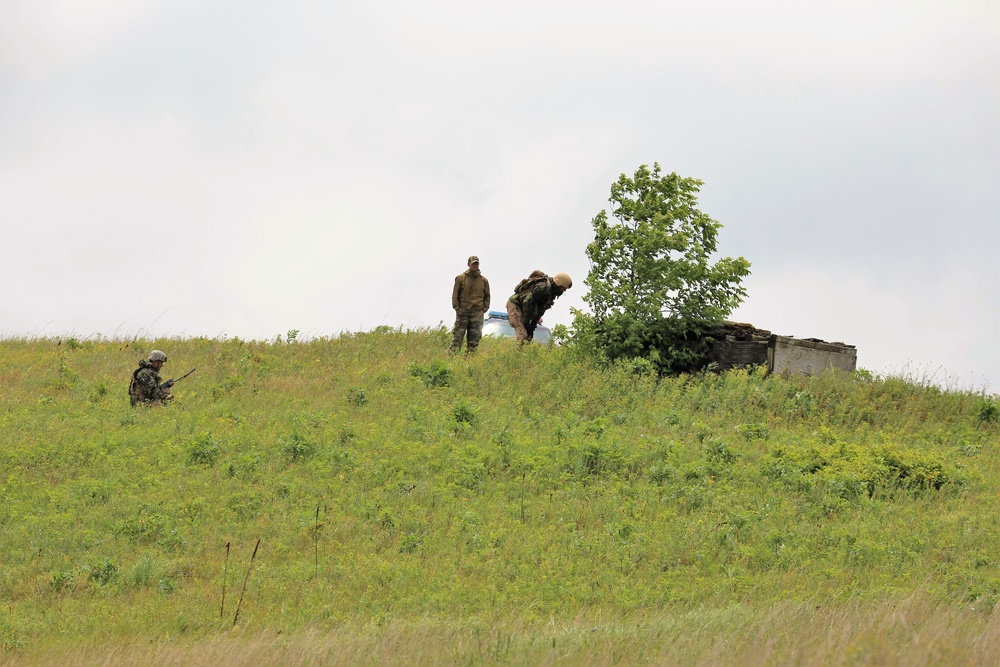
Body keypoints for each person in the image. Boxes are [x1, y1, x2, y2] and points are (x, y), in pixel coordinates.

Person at [506, 271, 572, 343]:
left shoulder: (551, 293)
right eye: (563, 288)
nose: (564, 290)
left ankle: (523, 352)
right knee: (522, 335)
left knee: (528, 337)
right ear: (559, 284)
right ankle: (515, 353)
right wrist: (526, 323)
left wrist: (533, 325)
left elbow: (540, 310)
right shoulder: (543, 288)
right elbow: (527, 302)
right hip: (515, 305)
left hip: (525, 309)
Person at [450, 255, 491, 353]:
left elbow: (487, 296)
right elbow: (455, 295)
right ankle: (453, 356)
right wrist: (457, 308)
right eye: (473, 264)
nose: (475, 265)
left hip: (477, 313)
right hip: (463, 312)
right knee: (458, 336)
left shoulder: (483, 280)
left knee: (474, 338)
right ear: (468, 264)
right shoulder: (461, 278)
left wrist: (484, 309)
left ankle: (470, 358)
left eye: (476, 263)